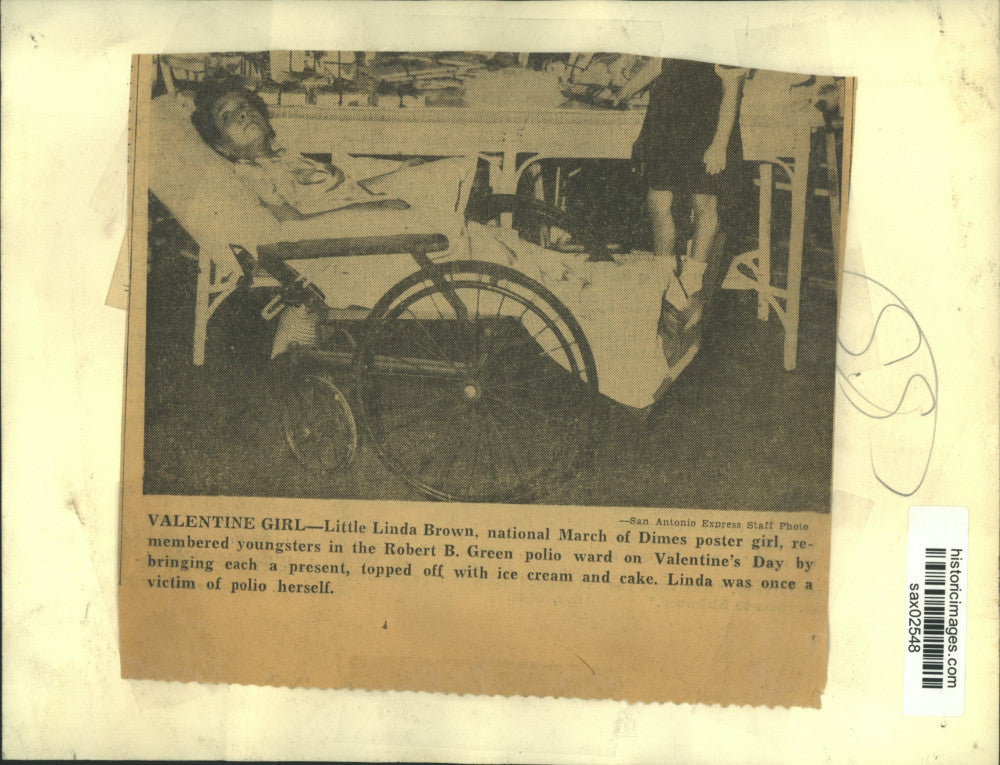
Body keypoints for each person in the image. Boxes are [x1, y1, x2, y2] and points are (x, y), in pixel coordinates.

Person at [189, 77, 471, 354]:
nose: (243, 114)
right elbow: (294, 226)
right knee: (476, 244)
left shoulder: (283, 157)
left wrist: (397, 176)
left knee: (449, 194)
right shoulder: (252, 172)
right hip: (344, 251)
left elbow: (336, 196)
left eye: (246, 106)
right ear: (221, 145)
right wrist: (371, 208)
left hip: (360, 226)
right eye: (227, 115)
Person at [617, 58, 749, 364]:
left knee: (705, 203)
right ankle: (663, 278)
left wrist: (719, 145)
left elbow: (732, 90)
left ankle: (691, 282)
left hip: (705, 121)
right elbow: (658, 63)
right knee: (658, 200)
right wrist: (623, 92)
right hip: (665, 119)